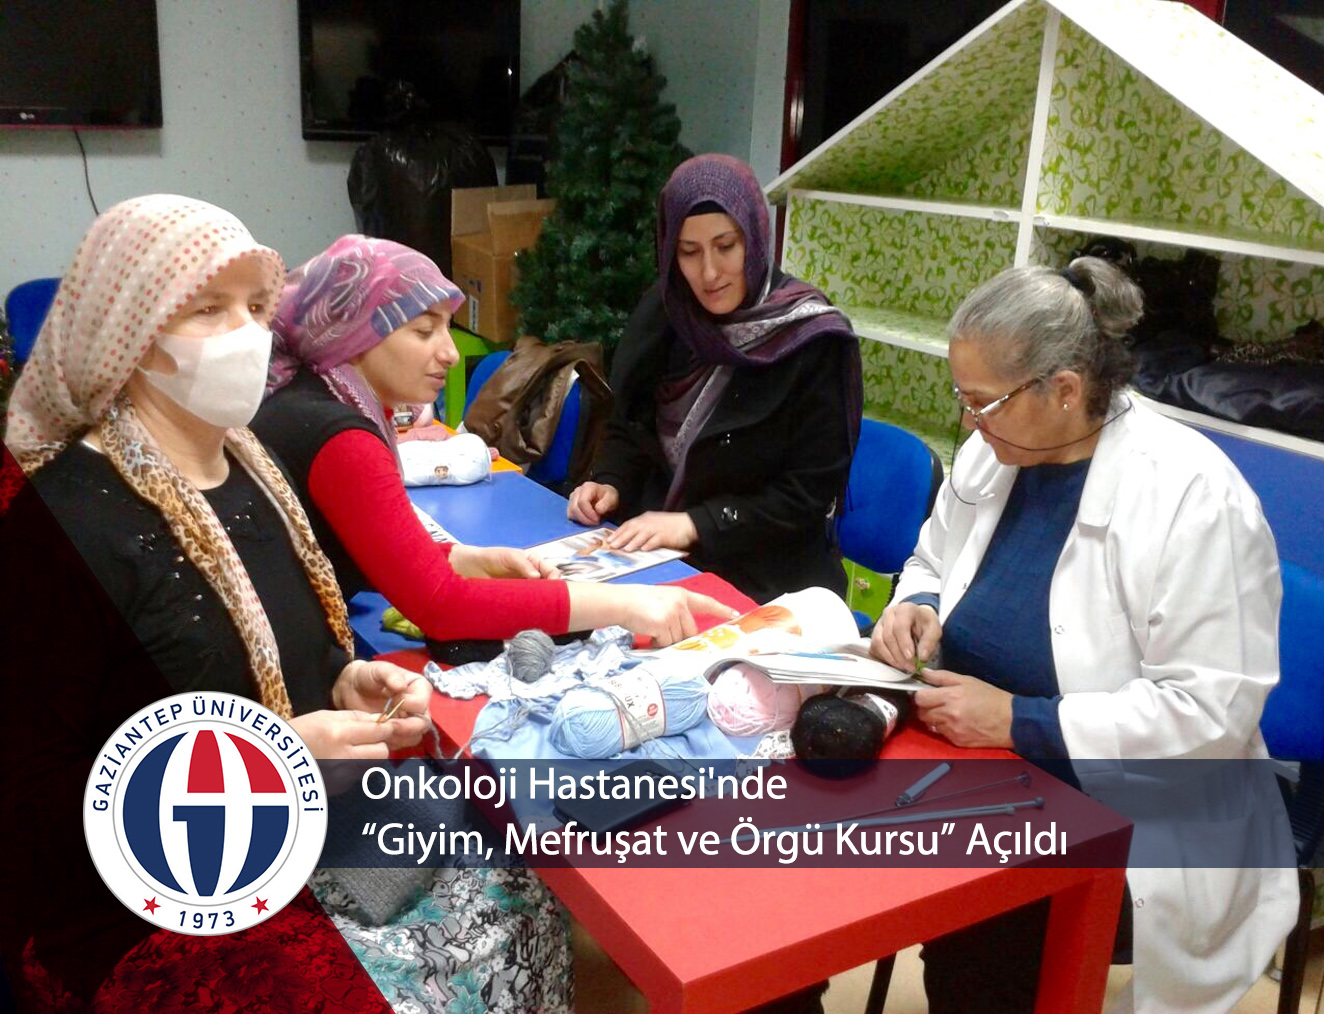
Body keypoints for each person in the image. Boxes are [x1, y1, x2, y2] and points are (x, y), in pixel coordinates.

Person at [1, 196, 570, 1013]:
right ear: (128, 332)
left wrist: (344, 680)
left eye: (257, 308)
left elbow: (276, 652)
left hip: (298, 824)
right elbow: (27, 815)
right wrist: (267, 763)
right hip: (151, 899)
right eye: (208, 310)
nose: (247, 334)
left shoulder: (253, 467)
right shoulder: (59, 525)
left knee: (524, 890)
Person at [870, 257, 1297, 1013]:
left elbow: (1208, 713)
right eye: (963, 400)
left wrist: (1018, 720)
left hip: (1125, 803)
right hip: (976, 763)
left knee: (984, 944)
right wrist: (919, 601)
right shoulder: (999, 448)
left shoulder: (1193, 497)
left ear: (1065, 390)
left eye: (983, 403)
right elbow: (933, 554)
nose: (968, 423)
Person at [251, 235, 735, 647]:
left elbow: (373, 550)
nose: (449, 353)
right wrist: (625, 604)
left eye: (446, 329)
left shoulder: (307, 399)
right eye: (424, 331)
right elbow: (443, 605)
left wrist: (466, 559)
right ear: (355, 334)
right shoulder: (342, 439)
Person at [567, 154, 862, 603]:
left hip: (766, 573)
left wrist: (694, 525)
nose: (709, 273)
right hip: (656, 553)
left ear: (755, 239)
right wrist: (609, 482)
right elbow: (631, 424)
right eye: (689, 252)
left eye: (726, 246)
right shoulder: (667, 312)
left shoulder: (810, 340)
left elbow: (806, 495)